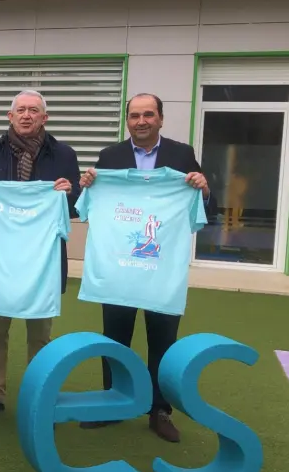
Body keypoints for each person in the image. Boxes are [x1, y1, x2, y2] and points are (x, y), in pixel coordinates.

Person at [78, 93, 216, 443]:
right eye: (135, 115)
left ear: (161, 119)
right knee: (115, 339)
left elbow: (202, 209)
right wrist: (88, 184)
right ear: (127, 120)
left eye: (148, 115)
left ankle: (160, 410)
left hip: (161, 269)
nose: (141, 121)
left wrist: (203, 190)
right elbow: (92, 207)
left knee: (163, 340)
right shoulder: (110, 157)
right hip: (120, 268)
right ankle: (113, 404)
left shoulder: (181, 155)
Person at [0, 89, 81, 419]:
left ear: (45, 117)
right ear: (10, 116)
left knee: (40, 334)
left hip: (42, 261)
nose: (27, 115)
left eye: (34, 110)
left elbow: (75, 208)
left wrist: (69, 193)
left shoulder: (64, 155)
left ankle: (38, 395)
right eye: (21, 110)